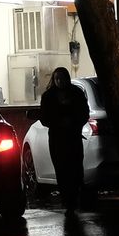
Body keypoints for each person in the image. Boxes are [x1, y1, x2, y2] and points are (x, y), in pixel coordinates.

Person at [40, 67, 92, 213]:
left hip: (73, 137)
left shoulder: (76, 93)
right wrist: (58, 123)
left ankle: (75, 198)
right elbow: (44, 117)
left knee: (75, 168)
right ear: (53, 80)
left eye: (62, 78)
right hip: (57, 139)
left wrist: (73, 123)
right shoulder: (48, 96)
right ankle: (67, 200)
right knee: (61, 169)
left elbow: (84, 113)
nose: (60, 81)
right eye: (57, 79)